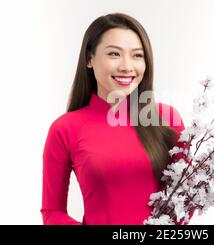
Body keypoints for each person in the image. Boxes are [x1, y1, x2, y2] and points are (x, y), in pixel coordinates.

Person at [41, 13, 192, 225]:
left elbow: (187, 199)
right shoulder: (65, 129)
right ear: (89, 59)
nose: (126, 66)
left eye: (137, 56)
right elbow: (52, 212)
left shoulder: (167, 119)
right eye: (114, 54)